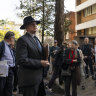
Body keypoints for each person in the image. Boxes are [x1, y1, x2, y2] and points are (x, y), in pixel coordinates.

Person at [16, 16, 49, 96]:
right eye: (32, 24)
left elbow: (38, 55)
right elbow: (21, 60)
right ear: (26, 27)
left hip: (39, 79)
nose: (35, 26)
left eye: (36, 24)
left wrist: (45, 50)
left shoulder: (36, 39)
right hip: (29, 81)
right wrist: (40, 63)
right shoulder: (22, 40)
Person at [0, 31, 15, 96]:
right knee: (2, 85)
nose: (14, 40)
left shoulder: (9, 46)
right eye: (13, 38)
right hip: (3, 66)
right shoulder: (2, 44)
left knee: (9, 86)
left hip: (10, 68)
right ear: (11, 38)